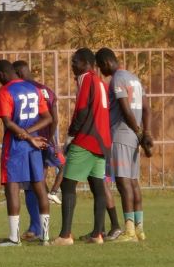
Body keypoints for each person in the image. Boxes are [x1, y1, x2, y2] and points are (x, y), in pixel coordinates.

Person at [52, 48, 113, 245]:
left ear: (85, 63)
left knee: (68, 184)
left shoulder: (87, 78)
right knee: (98, 187)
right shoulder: (101, 83)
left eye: (74, 62)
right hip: (102, 142)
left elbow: (82, 110)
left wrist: (70, 137)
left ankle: (65, 235)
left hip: (87, 139)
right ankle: (97, 234)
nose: (72, 66)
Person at [0, 60, 52, 246]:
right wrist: (32, 135)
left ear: (1, 74)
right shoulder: (33, 88)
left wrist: (26, 137)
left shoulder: (5, 91)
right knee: (39, 186)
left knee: (12, 187)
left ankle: (14, 237)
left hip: (16, 145)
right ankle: (46, 236)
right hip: (34, 144)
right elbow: (48, 118)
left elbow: (8, 123)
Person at [97, 47, 153, 242]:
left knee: (123, 182)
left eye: (100, 67)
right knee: (133, 181)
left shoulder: (117, 79)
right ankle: (139, 229)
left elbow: (125, 108)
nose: (101, 72)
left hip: (121, 134)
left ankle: (129, 230)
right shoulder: (134, 79)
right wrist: (145, 132)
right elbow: (146, 108)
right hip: (134, 137)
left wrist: (138, 131)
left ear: (105, 63)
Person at [13, 60, 61, 238]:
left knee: (30, 185)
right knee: (40, 182)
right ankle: (42, 228)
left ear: (18, 73)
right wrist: (49, 139)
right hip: (47, 140)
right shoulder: (47, 90)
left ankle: (36, 227)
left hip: (29, 141)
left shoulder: (22, 90)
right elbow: (55, 118)